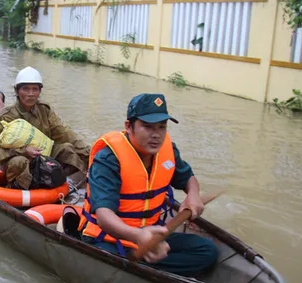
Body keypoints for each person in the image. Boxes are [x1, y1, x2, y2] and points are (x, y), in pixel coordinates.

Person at [78, 93, 218, 277]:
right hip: (108, 238)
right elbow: (104, 216)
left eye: (162, 127)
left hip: (150, 233)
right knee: (112, 262)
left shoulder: (167, 150)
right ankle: (149, 269)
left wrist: (193, 194)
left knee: (207, 251)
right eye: (147, 126)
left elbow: (188, 178)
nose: (156, 135)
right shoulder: (109, 159)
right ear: (129, 126)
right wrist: (138, 237)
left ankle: (146, 269)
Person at [0, 66, 90, 190]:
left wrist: (90, 152)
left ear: (39, 91)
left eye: (35, 89)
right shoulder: (3, 117)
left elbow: (63, 133)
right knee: (19, 161)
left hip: (44, 156)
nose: (30, 94)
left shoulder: (44, 110)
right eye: (25, 89)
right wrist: (22, 151)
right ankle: (19, 189)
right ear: (17, 91)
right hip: (17, 161)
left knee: (67, 148)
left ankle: (81, 179)